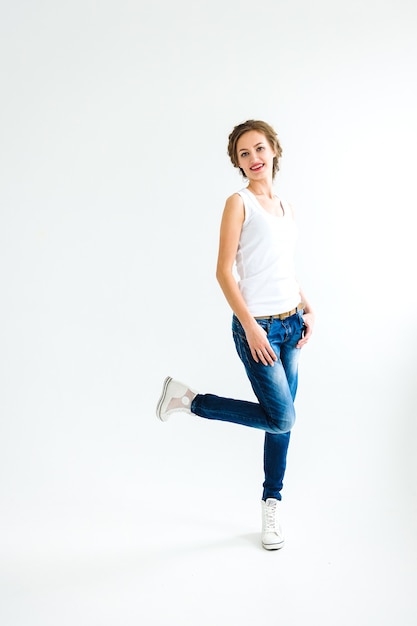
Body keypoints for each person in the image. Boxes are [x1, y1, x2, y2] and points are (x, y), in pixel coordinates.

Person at [156, 119, 314, 550]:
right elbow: (224, 272)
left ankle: (271, 503)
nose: (254, 158)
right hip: (257, 327)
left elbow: (282, 267)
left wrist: (306, 305)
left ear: (274, 150)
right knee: (283, 417)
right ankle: (191, 401)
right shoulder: (238, 202)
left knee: (281, 424)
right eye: (244, 154)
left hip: (290, 324)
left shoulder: (286, 207)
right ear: (237, 163)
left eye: (259, 148)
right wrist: (250, 328)